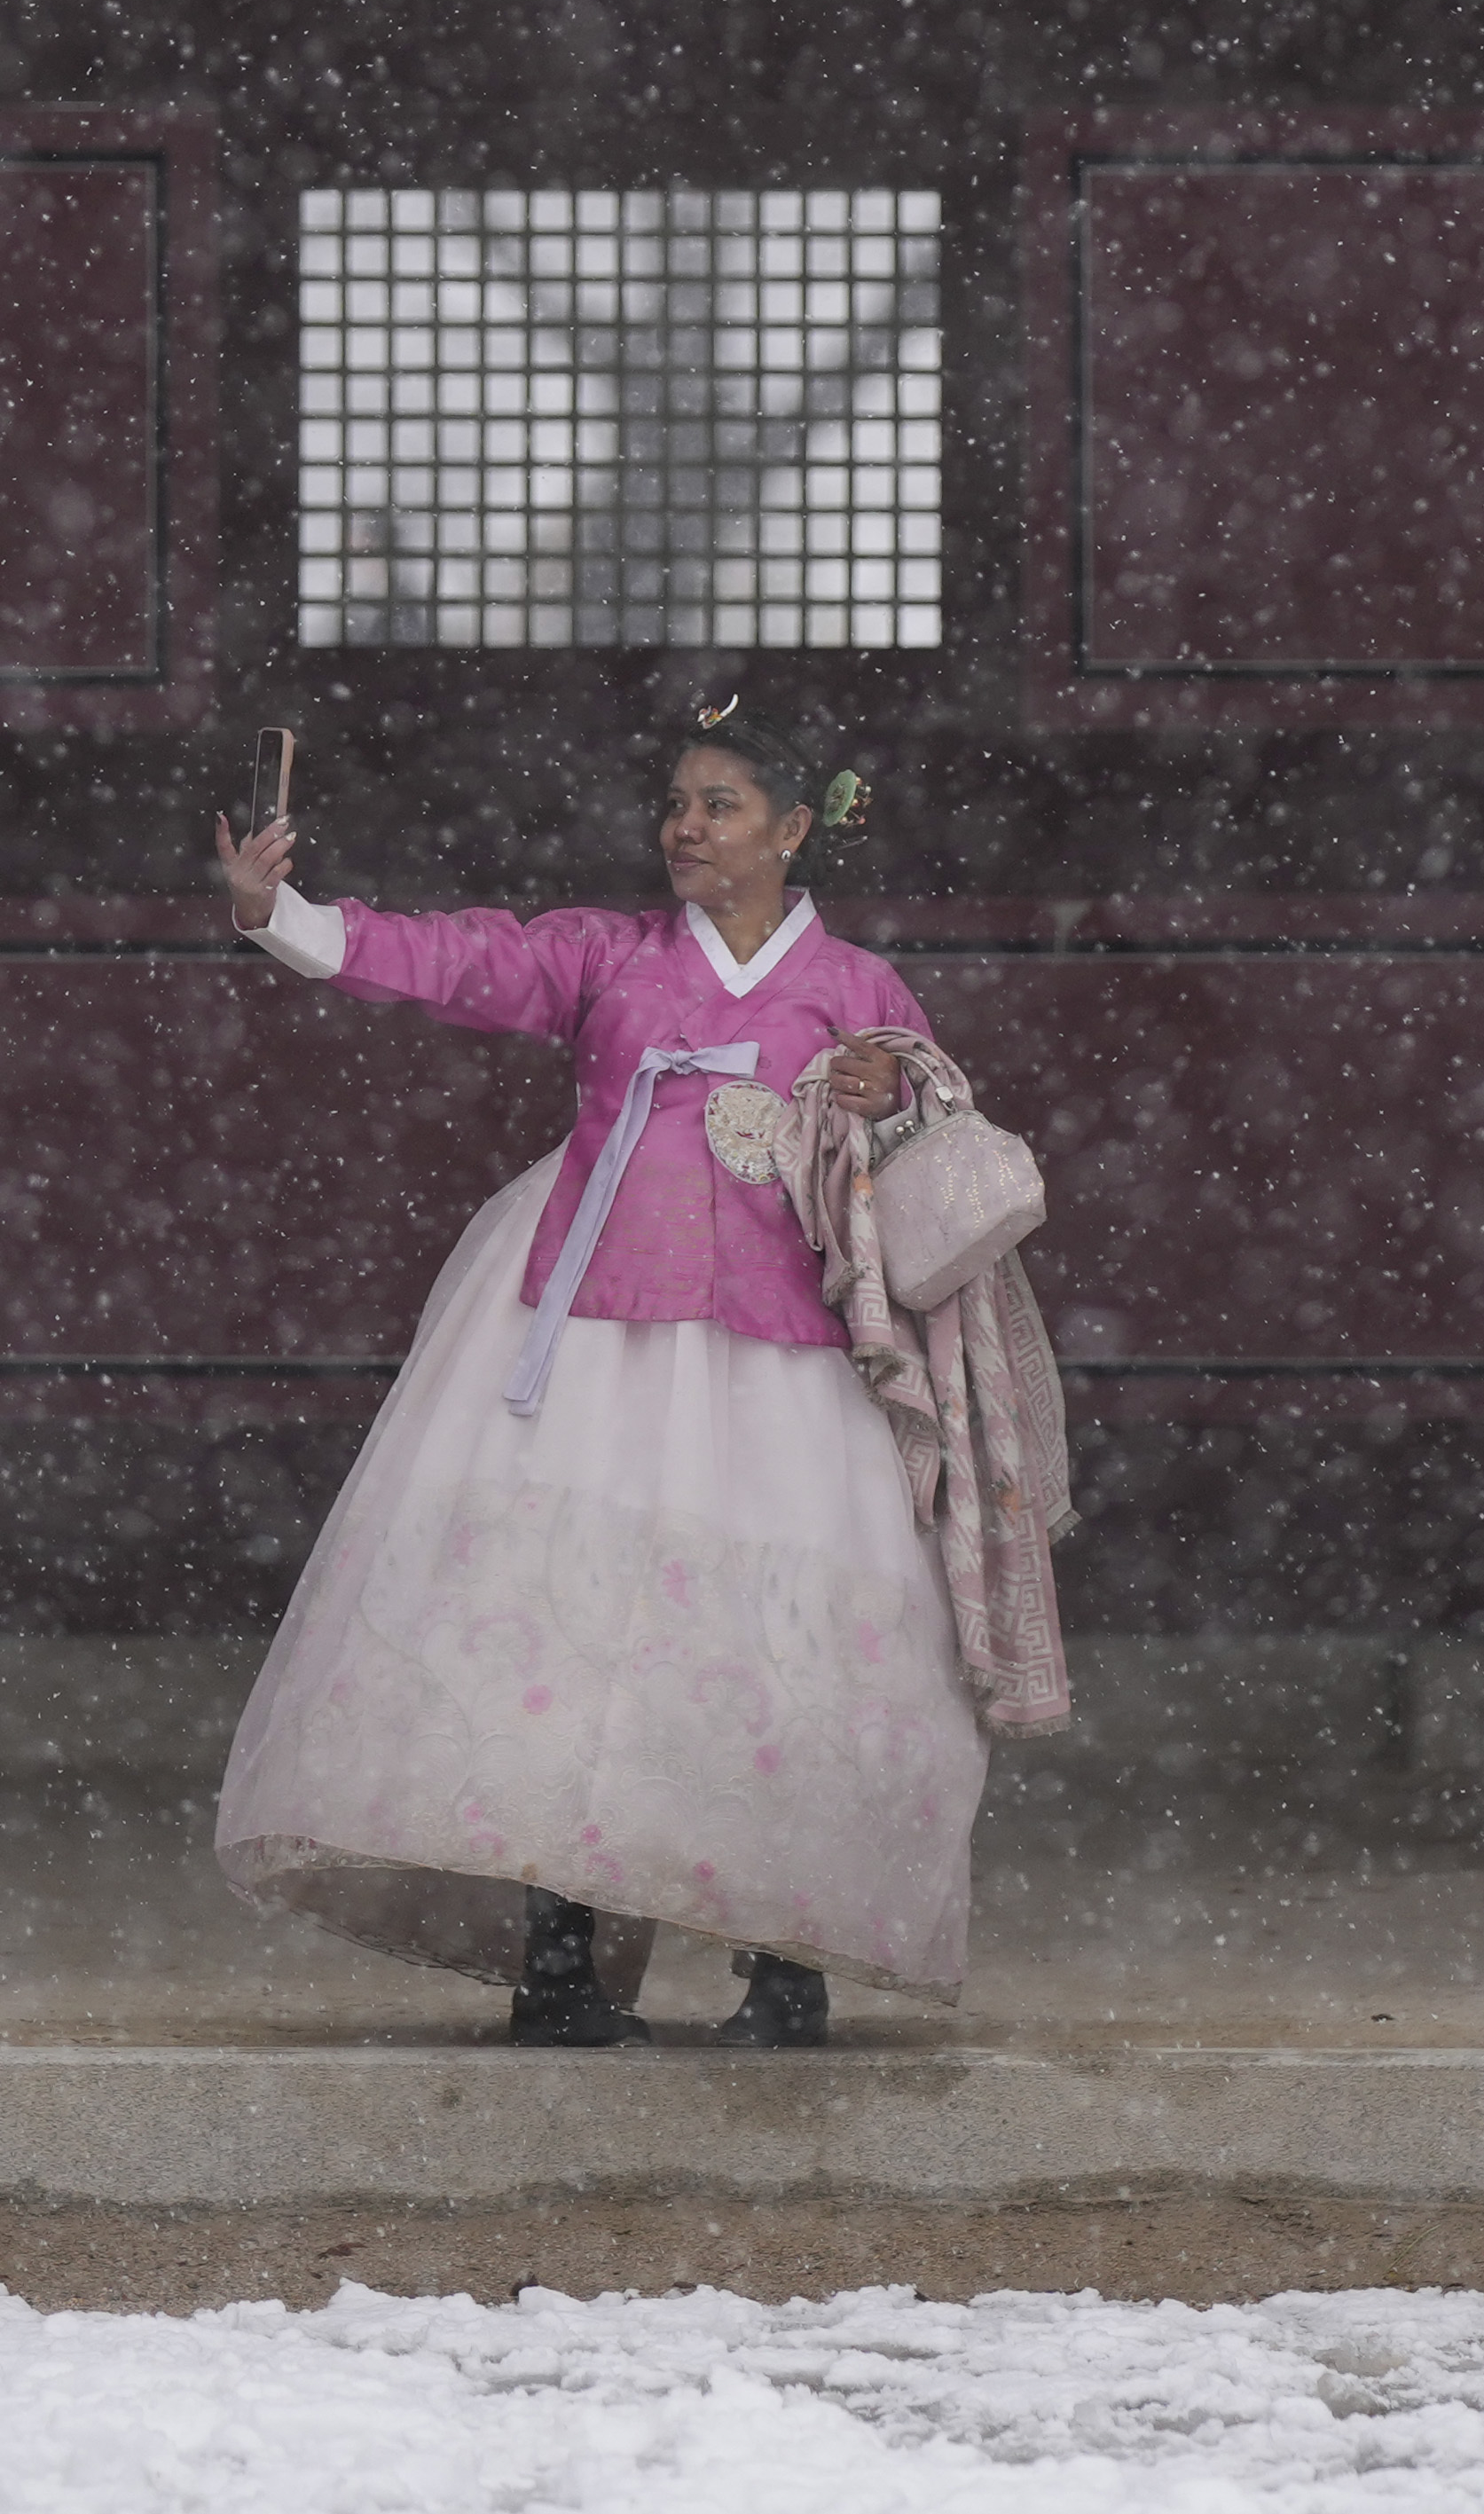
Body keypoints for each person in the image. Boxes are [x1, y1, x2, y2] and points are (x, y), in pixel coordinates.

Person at [204, 703, 973, 2048]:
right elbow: (461, 960)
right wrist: (288, 913)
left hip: (783, 1360)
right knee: (567, 1637)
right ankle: (558, 1958)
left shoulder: (856, 990)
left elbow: (937, 1141)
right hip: (596, 1338)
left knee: (767, 1651)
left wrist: (880, 1100)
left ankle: (783, 1969)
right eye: (676, 802)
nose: (686, 825)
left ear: (794, 830)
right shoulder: (607, 956)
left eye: (720, 804)